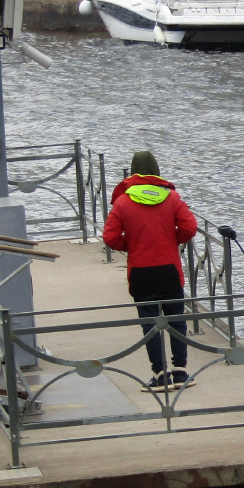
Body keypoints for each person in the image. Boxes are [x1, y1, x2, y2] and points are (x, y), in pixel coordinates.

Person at [102, 151, 199, 389]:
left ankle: (160, 375)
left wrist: (132, 244)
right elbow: (190, 228)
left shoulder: (123, 202)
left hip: (141, 271)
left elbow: (110, 237)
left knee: (150, 323)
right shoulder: (172, 197)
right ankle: (180, 372)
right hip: (168, 270)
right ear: (156, 172)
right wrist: (170, 238)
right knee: (176, 319)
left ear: (133, 173)